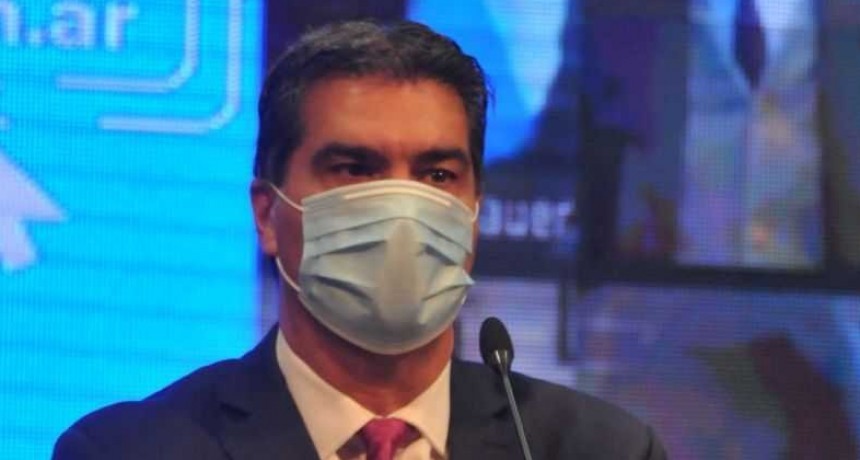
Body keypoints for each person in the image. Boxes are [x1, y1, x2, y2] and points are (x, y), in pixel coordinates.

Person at [53, 20, 666, 459]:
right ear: (267, 214)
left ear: (474, 213)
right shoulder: (131, 449)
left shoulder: (600, 449)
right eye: (354, 169)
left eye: (437, 175)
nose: (402, 208)